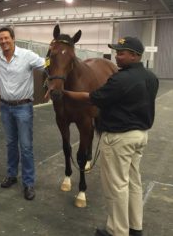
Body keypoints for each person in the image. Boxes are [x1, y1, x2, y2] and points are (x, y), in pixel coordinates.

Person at [61, 37, 159, 236]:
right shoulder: (151, 77)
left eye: (121, 53)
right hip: (140, 136)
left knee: (116, 187)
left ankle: (117, 231)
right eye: (117, 51)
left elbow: (92, 97)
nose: (117, 56)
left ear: (135, 55)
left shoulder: (120, 79)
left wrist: (65, 93)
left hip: (119, 139)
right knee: (133, 183)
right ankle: (134, 227)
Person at [0, 27, 45, 200]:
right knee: (10, 143)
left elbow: (47, 65)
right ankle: (11, 175)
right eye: (1, 39)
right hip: (5, 107)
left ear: (13, 39)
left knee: (26, 146)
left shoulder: (27, 55)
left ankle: (29, 183)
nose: (3, 41)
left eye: (6, 38)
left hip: (23, 107)